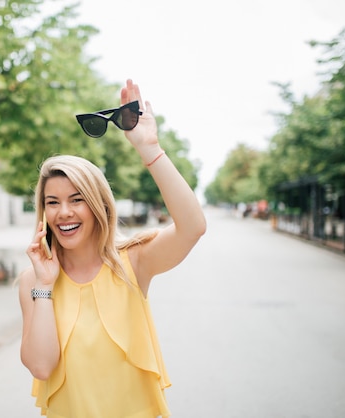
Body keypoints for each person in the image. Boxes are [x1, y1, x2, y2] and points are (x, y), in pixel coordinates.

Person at [18, 79, 207, 417]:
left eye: (77, 200)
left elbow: (193, 227)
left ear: (99, 206)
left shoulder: (133, 261)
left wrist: (150, 149)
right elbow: (41, 367)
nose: (64, 212)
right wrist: (44, 286)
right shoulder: (33, 282)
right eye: (52, 202)